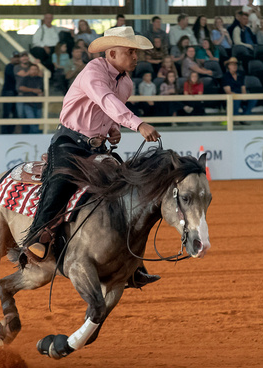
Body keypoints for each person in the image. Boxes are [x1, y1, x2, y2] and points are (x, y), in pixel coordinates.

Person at [22, 26, 161, 288]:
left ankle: (130, 262)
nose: (135, 56)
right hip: (69, 143)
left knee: (125, 189)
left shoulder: (126, 82)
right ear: (111, 53)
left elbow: (108, 112)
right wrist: (138, 124)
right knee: (60, 182)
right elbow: (106, 100)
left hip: (95, 147)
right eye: (130, 51)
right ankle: (37, 238)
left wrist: (114, 129)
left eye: (135, 52)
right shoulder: (93, 72)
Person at [222, 57, 256, 122]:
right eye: (232, 64)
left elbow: (243, 87)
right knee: (236, 100)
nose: (234, 66)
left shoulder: (240, 75)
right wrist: (238, 96)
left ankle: (245, 116)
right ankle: (235, 119)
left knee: (253, 98)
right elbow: (228, 91)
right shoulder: (225, 76)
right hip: (232, 96)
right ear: (228, 66)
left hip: (240, 94)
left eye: (235, 65)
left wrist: (244, 94)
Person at [18, 63, 43, 134]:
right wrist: (33, 90)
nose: (34, 71)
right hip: (28, 103)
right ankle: (36, 135)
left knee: (37, 122)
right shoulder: (26, 78)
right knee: (31, 121)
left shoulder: (41, 79)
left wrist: (41, 93)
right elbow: (21, 87)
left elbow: (43, 90)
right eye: (32, 69)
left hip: (38, 104)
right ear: (29, 70)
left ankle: (34, 135)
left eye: (35, 69)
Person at [1, 51, 19, 134]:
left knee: (15, 114)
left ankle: (10, 132)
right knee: (7, 113)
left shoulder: (17, 68)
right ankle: (5, 132)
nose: (16, 59)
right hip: (9, 92)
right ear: (11, 58)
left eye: (17, 57)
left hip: (14, 92)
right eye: (15, 57)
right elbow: (15, 76)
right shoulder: (9, 67)